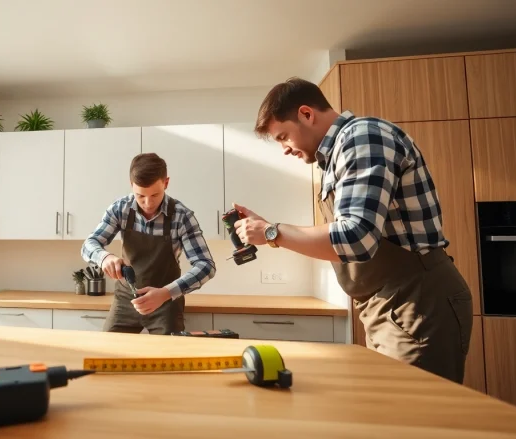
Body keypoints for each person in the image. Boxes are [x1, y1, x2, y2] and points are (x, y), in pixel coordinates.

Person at [233, 77, 473, 384]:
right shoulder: (336, 155)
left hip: (417, 303)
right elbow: (344, 238)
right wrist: (270, 231)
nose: (285, 149)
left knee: (416, 420)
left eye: (284, 137)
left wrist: (272, 233)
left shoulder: (363, 138)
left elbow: (355, 238)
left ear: (306, 114)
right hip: (390, 307)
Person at [81, 153, 216, 335]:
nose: (147, 203)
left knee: (166, 361)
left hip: (166, 303)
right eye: (140, 196)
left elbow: (206, 266)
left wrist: (166, 293)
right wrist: (104, 257)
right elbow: (90, 244)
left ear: (166, 183)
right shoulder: (120, 209)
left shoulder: (182, 216)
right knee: (108, 356)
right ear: (131, 185)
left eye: (155, 194)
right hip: (125, 301)